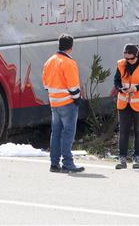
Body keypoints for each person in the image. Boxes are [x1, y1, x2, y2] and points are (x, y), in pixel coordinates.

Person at [42, 34, 84, 173]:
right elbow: (73, 85)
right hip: (67, 103)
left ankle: (54, 164)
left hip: (54, 102)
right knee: (68, 133)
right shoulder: (69, 63)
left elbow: (45, 84)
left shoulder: (50, 61)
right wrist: (77, 98)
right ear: (71, 47)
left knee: (56, 133)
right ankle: (67, 163)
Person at [114, 44, 139, 169]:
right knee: (123, 131)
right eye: (127, 59)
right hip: (124, 102)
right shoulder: (121, 64)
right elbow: (116, 80)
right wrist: (120, 88)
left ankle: (137, 157)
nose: (129, 61)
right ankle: (122, 157)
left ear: (137, 55)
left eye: (131, 59)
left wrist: (136, 88)